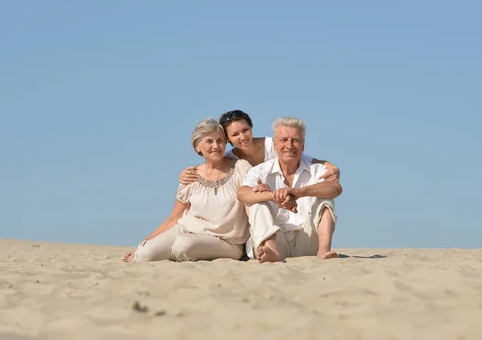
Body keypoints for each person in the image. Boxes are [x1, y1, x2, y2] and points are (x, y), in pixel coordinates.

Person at [122, 118, 252, 263]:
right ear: (197, 146)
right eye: (209, 141)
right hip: (186, 230)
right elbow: (175, 217)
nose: (216, 146)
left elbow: (251, 207)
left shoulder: (241, 168)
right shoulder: (190, 175)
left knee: (183, 246)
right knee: (144, 255)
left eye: (220, 141)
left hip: (227, 242)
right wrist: (144, 242)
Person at [236, 117, 343, 263]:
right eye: (283, 140)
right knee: (257, 200)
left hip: (307, 241)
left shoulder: (316, 169)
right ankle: (270, 250)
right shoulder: (260, 171)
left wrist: (298, 192)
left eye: (295, 140)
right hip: (275, 240)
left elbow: (335, 188)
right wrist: (272, 196)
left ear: (303, 146)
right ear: (274, 145)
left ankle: (324, 250)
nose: (289, 145)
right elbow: (242, 193)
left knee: (325, 198)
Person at [179, 110, 340, 184]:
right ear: (228, 139)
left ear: (251, 127)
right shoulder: (231, 158)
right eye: (235, 135)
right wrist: (188, 173)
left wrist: (332, 167)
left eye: (245, 130)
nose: (242, 137)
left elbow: (308, 159)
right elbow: (211, 165)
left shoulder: (273, 145)